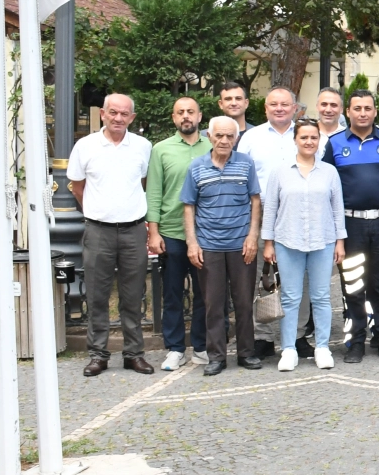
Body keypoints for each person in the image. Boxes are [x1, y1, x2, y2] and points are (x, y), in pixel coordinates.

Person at [70, 93, 155, 377]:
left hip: (133, 230)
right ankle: (98, 354)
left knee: (133, 296)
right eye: (113, 113)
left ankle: (134, 354)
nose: (118, 118)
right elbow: (77, 186)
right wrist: (98, 211)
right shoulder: (85, 146)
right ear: (103, 114)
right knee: (97, 296)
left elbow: (144, 184)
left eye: (125, 114)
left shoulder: (143, 147)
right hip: (98, 231)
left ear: (132, 118)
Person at [322, 89, 379, 363]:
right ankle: (355, 341)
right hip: (350, 224)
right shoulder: (334, 144)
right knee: (353, 284)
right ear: (348, 112)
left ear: (375, 111)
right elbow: (327, 187)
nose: (363, 113)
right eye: (357, 108)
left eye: (368, 108)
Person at [261, 118, 346, 371]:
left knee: (321, 297)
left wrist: (340, 242)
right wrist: (268, 243)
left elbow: (337, 209)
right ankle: (288, 349)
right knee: (290, 297)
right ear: (295, 140)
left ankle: (322, 347)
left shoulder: (329, 172)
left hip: (323, 241)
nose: (309, 142)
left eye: (313, 137)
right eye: (304, 137)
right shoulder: (280, 172)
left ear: (319, 140)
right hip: (288, 241)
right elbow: (271, 209)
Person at [182, 116, 262, 374]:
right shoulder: (196, 167)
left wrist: (252, 237)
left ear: (237, 138)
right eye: (220, 136)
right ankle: (216, 356)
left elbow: (255, 201)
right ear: (209, 136)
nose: (225, 140)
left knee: (244, 302)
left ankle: (246, 353)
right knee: (213, 304)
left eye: (230, 136)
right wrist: (192, 242)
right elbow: (189, 206)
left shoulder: (246, 164)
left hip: (241, 245)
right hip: (209, 245)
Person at [147, 96, 211, 370]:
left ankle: (201, 346)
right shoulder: (161, 150)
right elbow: (154, 192)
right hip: (171, 232)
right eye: (180, 112)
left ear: (199, 116)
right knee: (172, 293)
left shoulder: (213, 145)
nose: (186, 116)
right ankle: (174, 348)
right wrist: (153, 232)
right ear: (173, 118)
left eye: (190, 112)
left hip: (207, 232)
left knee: (204, 293)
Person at [239, 86, 299, 199]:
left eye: (285, 104)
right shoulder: (250, 137)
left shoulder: (306, 137)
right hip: (260, 208)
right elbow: (240, 176)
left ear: (294, 108)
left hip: (297, 208)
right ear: (266, 108)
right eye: (273, 104)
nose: (279, 108)